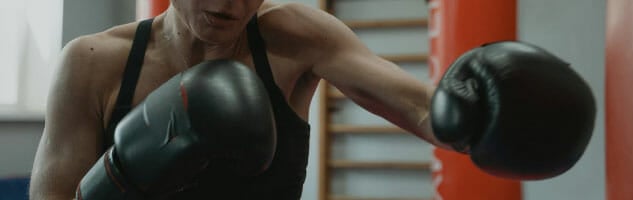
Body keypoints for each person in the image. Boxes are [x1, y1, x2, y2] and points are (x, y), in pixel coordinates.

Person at [29, 0, 596, 199]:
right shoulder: (93, 63)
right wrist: (122, 176)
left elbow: (423, 107)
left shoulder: (295, 35)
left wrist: (470, 111)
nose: (229, 5)